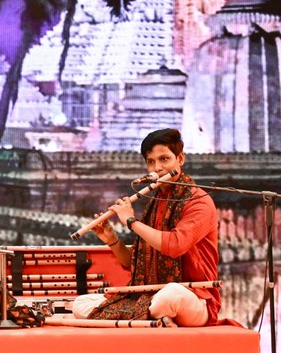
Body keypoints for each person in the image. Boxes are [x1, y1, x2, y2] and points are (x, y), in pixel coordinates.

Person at [73, 128, 221, 326]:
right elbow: (132, 262)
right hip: (150, 296)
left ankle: (149, 315)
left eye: (164, 159)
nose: (157, 168)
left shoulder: (199, 201)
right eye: (151, 162)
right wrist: (112, 239)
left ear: (180, 159)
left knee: (170, 295)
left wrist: (131, 221)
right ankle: (158, 318)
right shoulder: (155, 203)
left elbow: (175, 245)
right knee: (80, 304)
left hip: (195, 299)